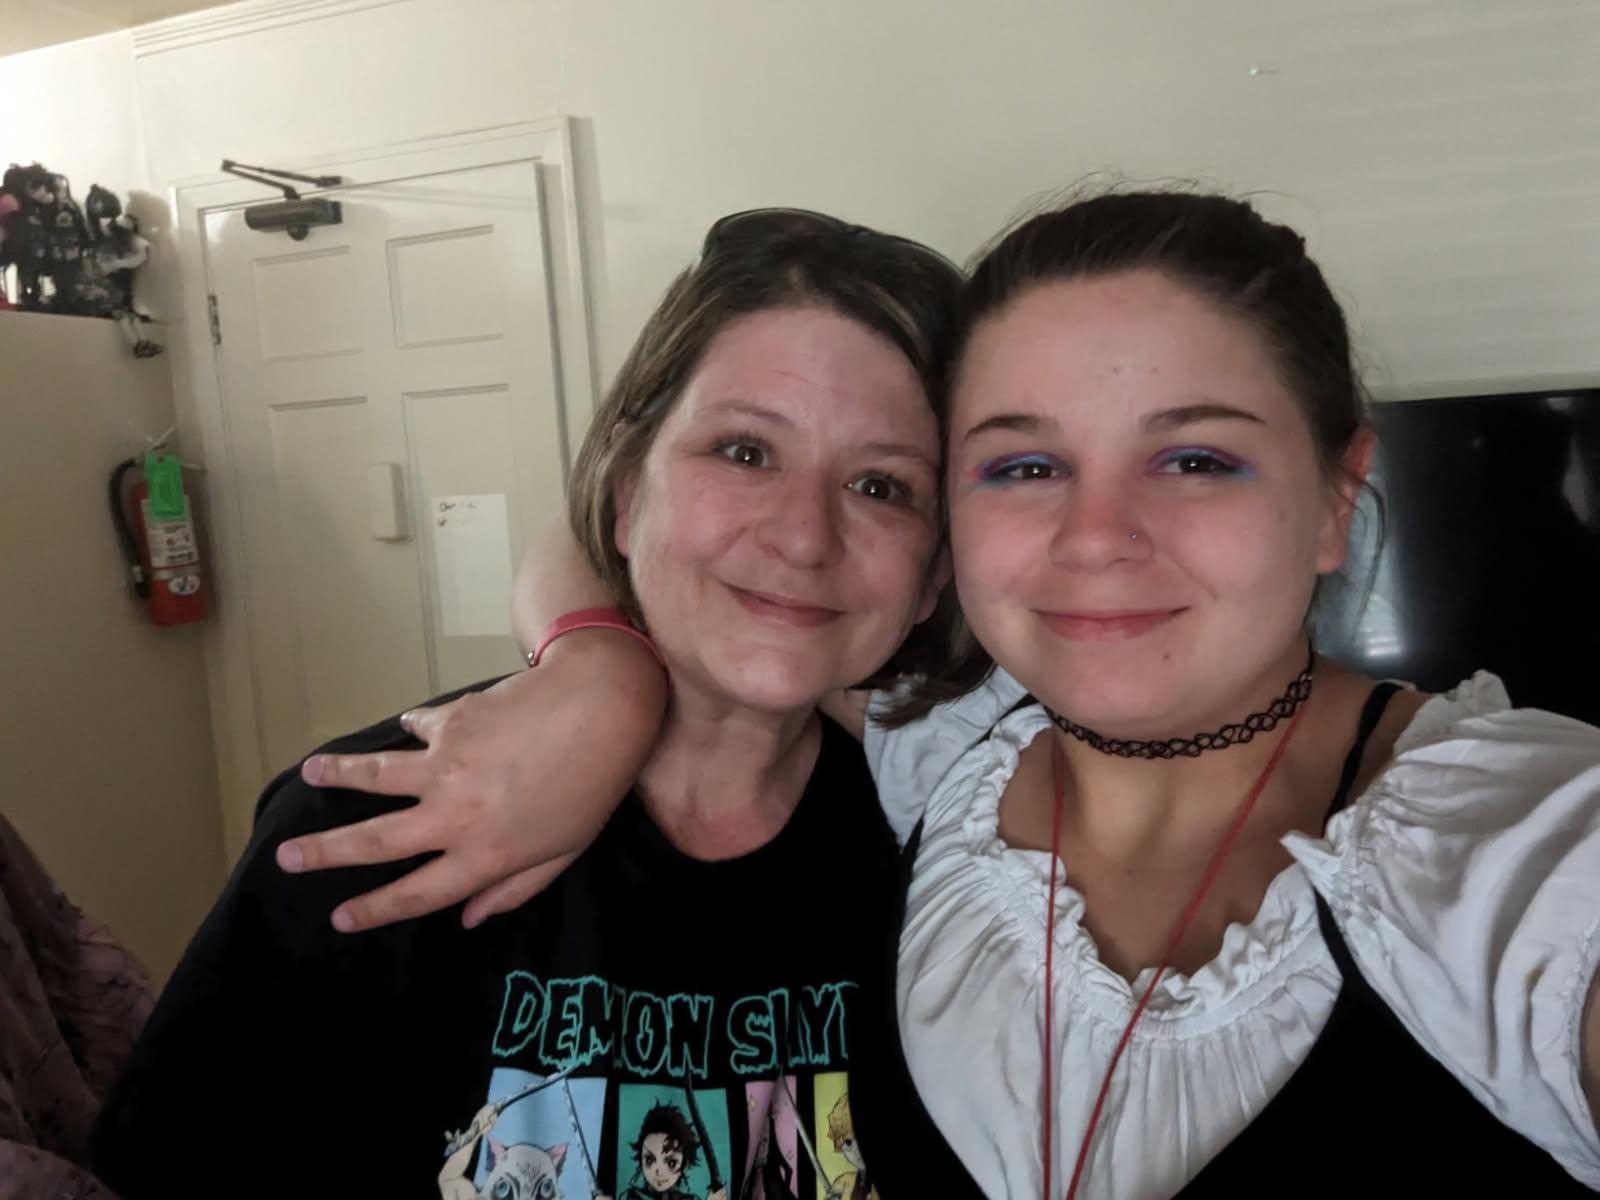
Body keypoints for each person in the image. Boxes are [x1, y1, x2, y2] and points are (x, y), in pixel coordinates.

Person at [277, 190, 1600, 1198]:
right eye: (1023, 467)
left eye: (1195, 458)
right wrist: (595, 666)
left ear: (1335, 499)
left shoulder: (1515, 848)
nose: (1095, 538)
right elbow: (670, 538)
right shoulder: (954, 746)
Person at [90, 208, 965, 1198]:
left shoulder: (957, 873)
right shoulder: (368, 827)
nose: (804, 537)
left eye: (882, 486)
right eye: (745, 452)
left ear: (933, 575)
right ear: (626, 494)